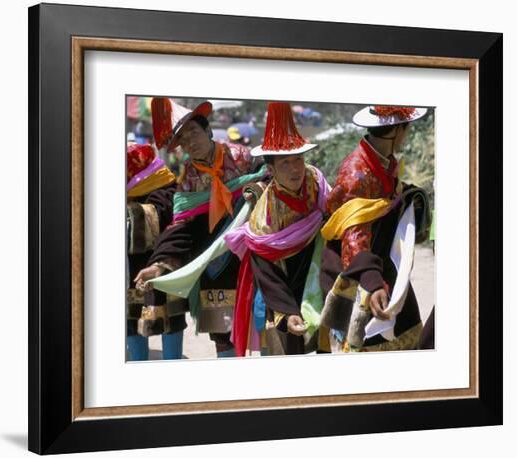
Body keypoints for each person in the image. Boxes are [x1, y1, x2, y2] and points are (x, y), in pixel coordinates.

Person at [134, 100, 268, 358]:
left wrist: (255, 191)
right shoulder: (187, 178)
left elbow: (267, 176)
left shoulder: (242, 157)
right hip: (212, 259)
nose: (190, 142)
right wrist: (159, 264)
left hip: (248, 252)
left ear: (208, 131)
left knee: (259, 319)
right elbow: (180, 225)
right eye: (183, 140)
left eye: (194, 132)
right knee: (221, 330)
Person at [224, 102, 334, 356]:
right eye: (285, 163)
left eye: (299, 159)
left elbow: (331, 217)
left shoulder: (315, 179)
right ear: (271, 170)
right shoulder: (264, 216)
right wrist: (288, 309)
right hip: (281, 285)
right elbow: (264, 265)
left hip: (316, 275)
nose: (296, 168)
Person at [320, 105, 431, 352]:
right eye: (407, 129)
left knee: (408, 335)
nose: (408, 134)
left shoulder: (384, 161)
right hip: (359, 269)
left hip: (382, 264)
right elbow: (354, 235)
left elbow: (384, 204)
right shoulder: (356, 172)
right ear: (398, 131)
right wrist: (372, 283)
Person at [126, 140, 178, 360]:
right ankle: (137, 365)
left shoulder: (164, 185)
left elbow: (159, 212)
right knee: (132, 317)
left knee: (172, 319)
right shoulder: (131, 188)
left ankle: (173, 363)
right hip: (134, 268)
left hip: (164, 262)